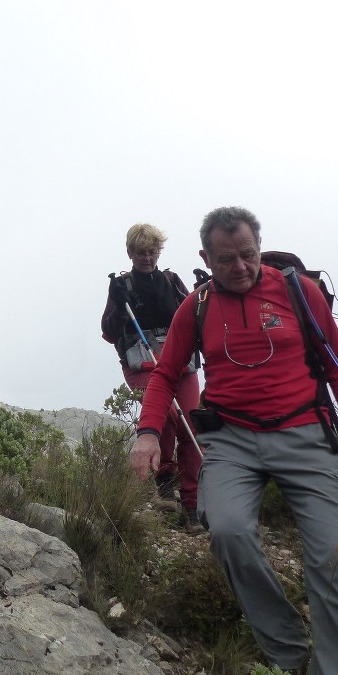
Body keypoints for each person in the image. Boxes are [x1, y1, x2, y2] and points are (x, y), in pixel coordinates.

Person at [130, 206, 338, 675]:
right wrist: (147, 432)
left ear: (259, 247)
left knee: (331, 552)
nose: (241, 267)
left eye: (248, 255)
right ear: (206, 257)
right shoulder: (198, 305)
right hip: (232, 441)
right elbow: (165, 373)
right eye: (227, 260)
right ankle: (286, 650)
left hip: (304, 435)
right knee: (228, 531)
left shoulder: (298, 292)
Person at [101, 223, 203, 533]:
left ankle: (191, 505)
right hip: (141, 364)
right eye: (141, 252)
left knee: (191, 421)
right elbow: (108, 332)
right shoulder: (122, 286)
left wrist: (204, 295)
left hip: (179, 362)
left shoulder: (171, 282)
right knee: (166, 415)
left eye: (152, 251)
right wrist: (118, 304)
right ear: (130, 253)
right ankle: (165, 480)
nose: (147, 257)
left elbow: (195, 316)